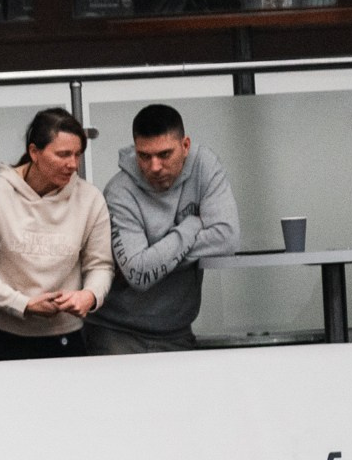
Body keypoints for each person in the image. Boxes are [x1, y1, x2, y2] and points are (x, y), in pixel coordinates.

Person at [0, 108, 114, 362]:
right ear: (34, 153)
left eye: (77, 155)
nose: (72, 164)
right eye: (63, 154)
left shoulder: (90, 199)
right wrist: (23, 304)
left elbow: (101, 265)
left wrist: (90, 295)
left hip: (62, 338)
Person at [90, 104, 241, 354]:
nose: (155, 166)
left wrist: (155, 255)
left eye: (164, 154)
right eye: (144, 156)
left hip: (176, 331)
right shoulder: (120, 191)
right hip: (116, 331)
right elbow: (138, 274)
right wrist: (192, 225)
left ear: (185, 146)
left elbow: (227, 239)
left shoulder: (204, 166)